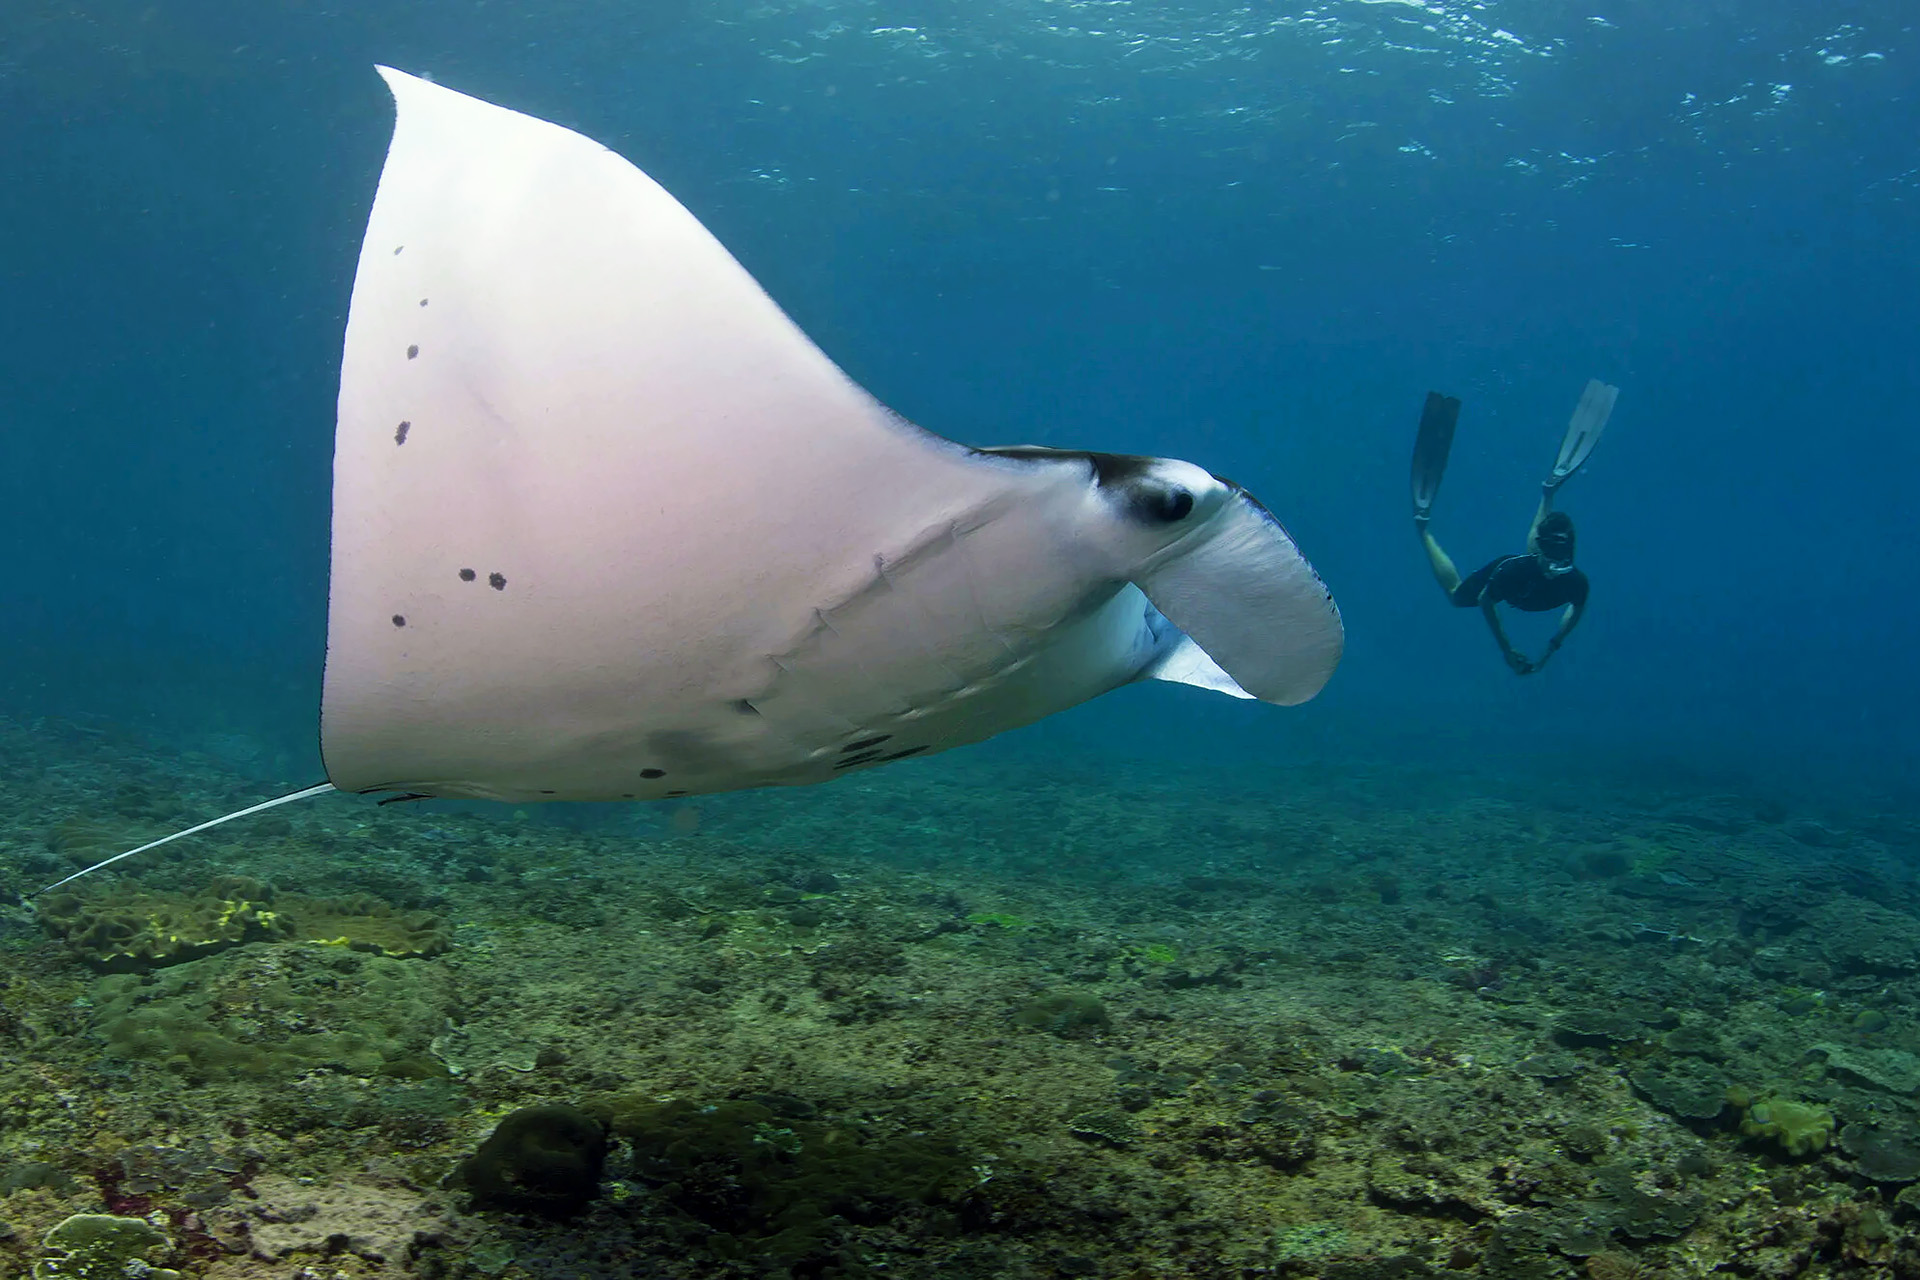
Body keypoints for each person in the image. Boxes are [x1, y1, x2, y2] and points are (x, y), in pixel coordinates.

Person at [1410, 380, 1617, 676]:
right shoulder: (1511, 572)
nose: (1556, 568)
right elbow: (1486, 602)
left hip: (1531, 571)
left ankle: (1548, 491)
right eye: (1553, 559)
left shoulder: (1576, 583)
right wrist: (1506, 649)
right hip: (1515, 572)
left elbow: (1577, 608)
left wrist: (1553, 645)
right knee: (1457, 596)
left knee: (1536, 555)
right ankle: (1424, 529)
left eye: (1562, 560)